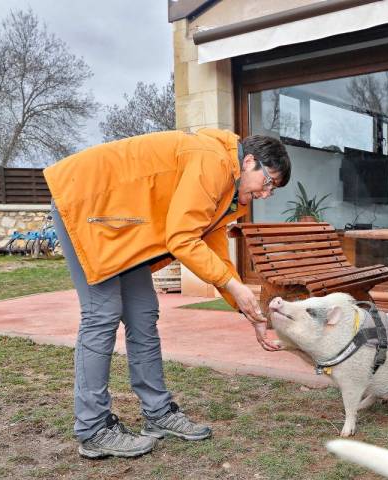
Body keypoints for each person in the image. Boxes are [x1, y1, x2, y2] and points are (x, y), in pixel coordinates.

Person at [43, 128, 291, 459]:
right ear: (249, 162)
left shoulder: (229, 192)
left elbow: (214, 251)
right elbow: (182, 238)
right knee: (101, 313)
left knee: (143, 311)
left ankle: (158, 414)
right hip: (86, 204)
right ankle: (93, 428)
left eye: (273, 189)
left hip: (125, 224)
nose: (267, 193)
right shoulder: (213, 161)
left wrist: (248, 311)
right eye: (269, 182)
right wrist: (235, 286)